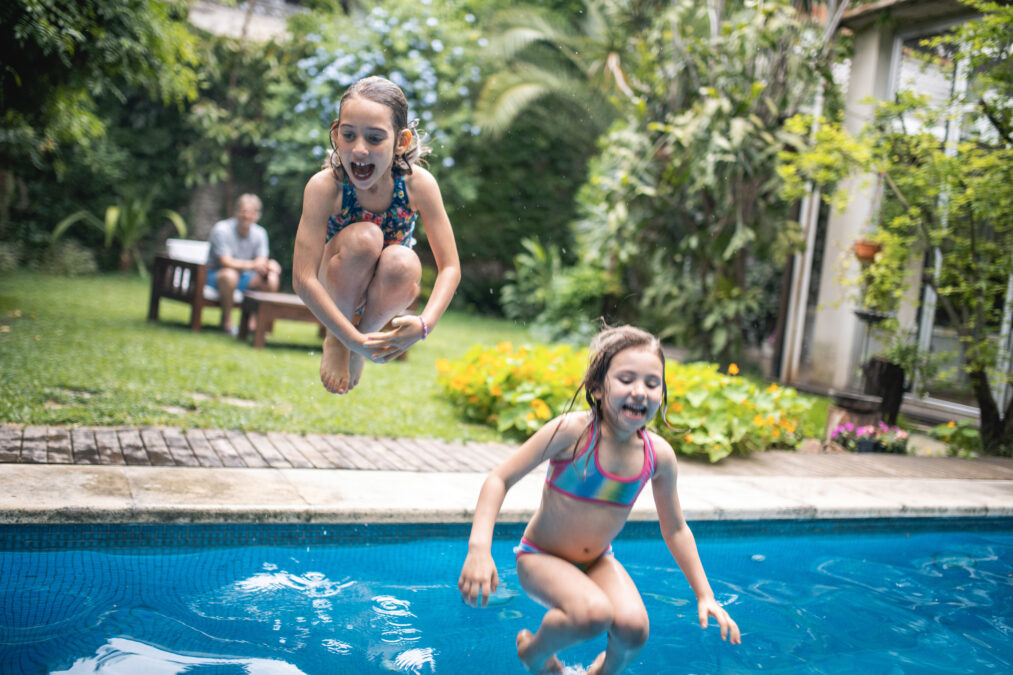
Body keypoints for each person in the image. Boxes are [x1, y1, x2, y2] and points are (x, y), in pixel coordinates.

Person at [458, 325, 741, 675]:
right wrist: (478, 549)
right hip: (540, 557)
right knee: (592, 614)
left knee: (635, 630)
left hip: (598, 562)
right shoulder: (573, 433)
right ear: (596, 386)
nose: (640, 391)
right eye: (626, 379)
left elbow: (677, 530)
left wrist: (705, 594)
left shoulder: (658, 457)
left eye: (653, 383)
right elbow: (499, 479)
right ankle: (534, 654)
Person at [292, 76, 460, 394]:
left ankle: (360, 342)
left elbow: (450, 267)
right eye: (348, 134)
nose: (359, 149)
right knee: (365, 238)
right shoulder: (325, 187)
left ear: (401, 141)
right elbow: (302, 278)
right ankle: (340, 338)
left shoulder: (418, 185)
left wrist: (426, 324)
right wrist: (348, 336)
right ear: (335, 133)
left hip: (387, 289)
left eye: (374, 138)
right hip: (338, 281)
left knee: (403, 259)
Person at [207, 194, 282, 335]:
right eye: (243, 211)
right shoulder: (221, 229)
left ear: (256, 216)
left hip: (244, 278)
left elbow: (260, 261)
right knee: (230, 275)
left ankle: (253, 323)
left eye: (250, 212)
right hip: (215, 276)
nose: (246, 215)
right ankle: (227, 322)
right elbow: (225, 261)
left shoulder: (260, 233)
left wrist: (270, 266)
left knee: (271, 279)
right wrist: (254, 265)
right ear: (236, 212)